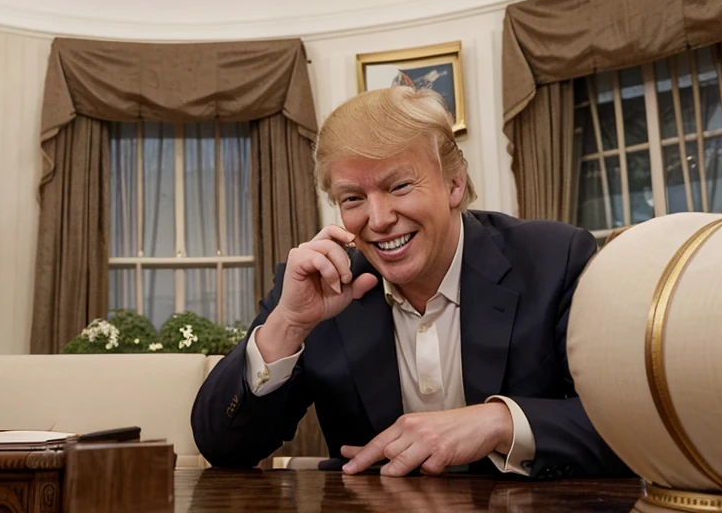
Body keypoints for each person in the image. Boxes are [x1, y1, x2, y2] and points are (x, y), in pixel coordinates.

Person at [191, 86, 630, 479]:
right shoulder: (321, 285)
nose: (379, 220)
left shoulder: (553, 258)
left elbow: (630, 428)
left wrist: (499, 422)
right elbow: (224, 447)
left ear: (454, 184)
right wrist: (288, 323)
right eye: (353, 198)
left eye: (400, 186)